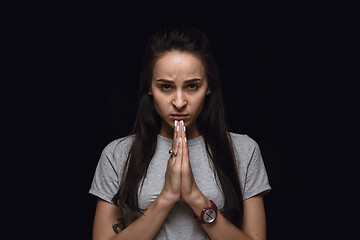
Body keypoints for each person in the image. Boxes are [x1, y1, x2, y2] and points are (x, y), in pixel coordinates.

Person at [89, 26, 271, 240]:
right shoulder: (118, 154)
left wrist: (195, 197)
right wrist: (166, 198)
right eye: (166, 87)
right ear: (149, 87)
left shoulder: (243, 151)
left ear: (209, 86)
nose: (179, 102)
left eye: (192, 86)